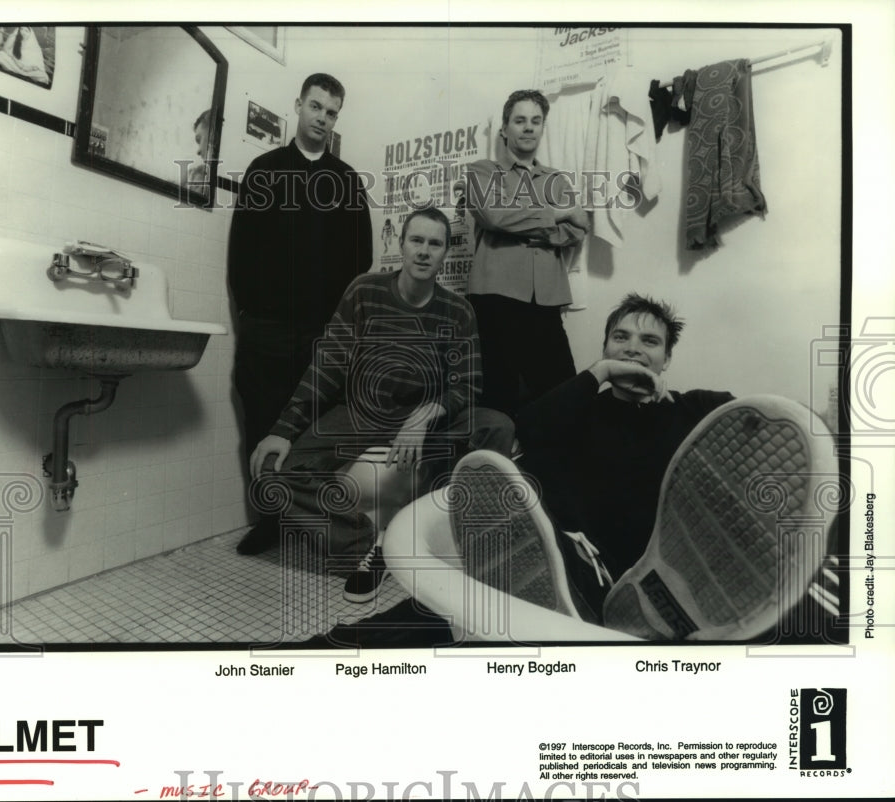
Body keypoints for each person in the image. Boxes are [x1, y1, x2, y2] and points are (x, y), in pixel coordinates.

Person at [445, 293, 840, 641]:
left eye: (649, 341)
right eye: (621, 338)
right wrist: (599, 374)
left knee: (813, 589)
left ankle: (734, 600)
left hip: (695, 571)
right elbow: (528, 430)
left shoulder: (698, 411)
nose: (633, 349)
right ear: (604, 350)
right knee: (544, 515)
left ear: (666, 359)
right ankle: (582, 601)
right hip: (606, 570)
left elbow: (778, 436)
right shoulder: (578, 414)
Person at [245, 208, 515, 599]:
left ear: (445, 254)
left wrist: (426, 415)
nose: (424, 251)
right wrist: (282, 430)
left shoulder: (459, 311)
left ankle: (467, 540)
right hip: (360, 413)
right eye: (416, 241)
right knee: (271, 472)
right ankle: (370, 545)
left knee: (499, 425)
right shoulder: (364, 291)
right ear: (401, 245)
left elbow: (467, 386)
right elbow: (327, 365)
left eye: (434, 244)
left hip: (422, 417)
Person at [229, 73, 373, 551]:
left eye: (331, 113)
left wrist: (339, 327)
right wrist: (250, 313)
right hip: (266, 327)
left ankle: (308, 523)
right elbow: (242, 251)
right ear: (298, 105)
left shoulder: (347, 181)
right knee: (263, 420)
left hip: (321, 332)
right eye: (316, 107)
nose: (322, 118)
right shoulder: (265, 169)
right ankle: (269, 521)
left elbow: (362, 262)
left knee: (314, 428)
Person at [463, 89, 590, 419]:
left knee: (563, 400)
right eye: (520, 120)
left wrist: (528, 226)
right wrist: (556, 215)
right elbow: (495, 215)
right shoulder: (482, 171)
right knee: (497, 401)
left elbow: (579, 228)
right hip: (495, 301)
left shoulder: (555, 179)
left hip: (546, 302)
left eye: (536, 121)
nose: (528, 127)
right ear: (504, 128)